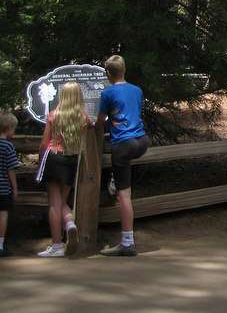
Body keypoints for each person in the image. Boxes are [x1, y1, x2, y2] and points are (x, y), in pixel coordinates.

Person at [96, 54, 149, 257]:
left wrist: (92, 124)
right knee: (122, 171)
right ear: (124, 70)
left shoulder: (108, 93)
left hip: (123, 145)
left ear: (108, 73)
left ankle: (127, 243)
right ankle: (114, 179)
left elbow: (101, 120)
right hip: (142, 141)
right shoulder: (137, 90)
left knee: (123, 195)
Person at [37, 83, 91, 258]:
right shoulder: (82, 117)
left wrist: (40, 161)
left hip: (54, 157)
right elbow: (91, 126)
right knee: (62, 200)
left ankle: (57, 245)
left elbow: (44, 144)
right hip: (71, 160)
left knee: (54, 203)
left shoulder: (54, 116)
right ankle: (69, 224)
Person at [0, 112, 20, 258]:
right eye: (14, 129)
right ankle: (0, 245)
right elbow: (11, 169)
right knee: (3, 214)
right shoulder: (8, 146)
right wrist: (15, 188)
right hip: (3, 188)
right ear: (8, 128)